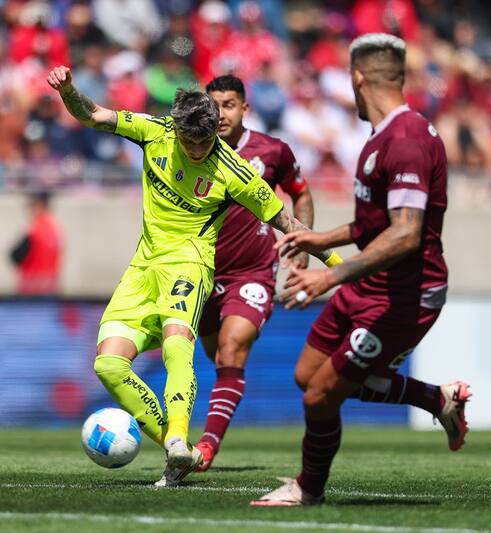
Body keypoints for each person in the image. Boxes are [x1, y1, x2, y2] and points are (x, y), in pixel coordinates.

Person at [46, 65, 342, 487]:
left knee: (177, 346)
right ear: (177, 129)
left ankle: (178, 444)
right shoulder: (154, 132)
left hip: (190, 264)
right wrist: (69, 90)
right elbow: (92, 115)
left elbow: (289, 222)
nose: (200, 149)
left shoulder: (234, 171)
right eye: (192, 141)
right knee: (109, 364)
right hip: (143, 266)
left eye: (207, 141)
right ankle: (174, 442)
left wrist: (338, 265)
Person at [251, 33, 470, 507]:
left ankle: (308, 488)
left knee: (320, 398)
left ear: (356, 78)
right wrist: (321, 238)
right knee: (308, 376)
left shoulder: (406, 140)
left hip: (404, 294)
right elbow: (377, 222)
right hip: (371, 282)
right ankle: (437, 399)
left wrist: (328, 275)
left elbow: (406, 234)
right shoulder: (383, 135)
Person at [193, 74, 315, 471]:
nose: (221, 113)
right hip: (201, 274)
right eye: (213, 105)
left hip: (253, 272)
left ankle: (206, 448)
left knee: (232, 350)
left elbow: (301, 192)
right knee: (218, 358)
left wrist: (301, 248)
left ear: (245, 108)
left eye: (229, 105)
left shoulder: (272, 151)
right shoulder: (193, 149)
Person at [10, 191, 62, 295]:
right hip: (50, 287)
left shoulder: (35, 229)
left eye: (31, 206)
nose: (28, 211)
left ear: (39, 205)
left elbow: (15, 256)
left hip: (31, 290)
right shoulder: (56, 229)